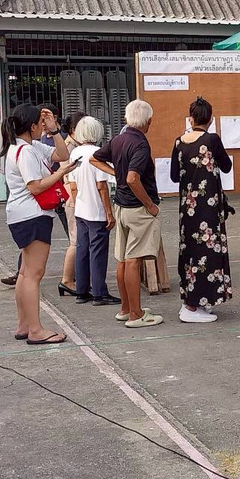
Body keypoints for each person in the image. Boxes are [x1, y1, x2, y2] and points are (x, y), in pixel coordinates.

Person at [1, 103, 72, 345]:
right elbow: (35, 186)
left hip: (24, 214)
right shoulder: (26, 152)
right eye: (41, 123)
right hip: (32, 215)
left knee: (25, 272)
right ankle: (35, 329)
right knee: (34, 273)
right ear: (31, 126)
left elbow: (62, 155)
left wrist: (54, 130)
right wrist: (61, 173)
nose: (43, 126)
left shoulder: (26, 146)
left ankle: (24, 325)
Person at [91, 99, 165, 328]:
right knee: (134, 260)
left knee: (122, 259)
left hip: (121, 206)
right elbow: (133, 178)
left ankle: (125, 308)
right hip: (137, 209)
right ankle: (136, 314)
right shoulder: (140, 144)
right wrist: (150, 204)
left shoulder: (118, 139)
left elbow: (94, 158)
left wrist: (115, 174)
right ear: (148, 121)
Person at [170, 97, 233, 323]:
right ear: (211, 119)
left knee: (190, 251)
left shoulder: (179, 142)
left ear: (190, 118)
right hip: (209, 207)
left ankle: (192, 300)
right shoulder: (212, 140)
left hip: (187, 208)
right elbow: (227, 166)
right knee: (210, 252)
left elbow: (174, 176)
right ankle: (197, 303)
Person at [66, 116, 119, 307]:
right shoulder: (97, 153)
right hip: (96, 210)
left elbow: (72, 185)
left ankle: (82, 290)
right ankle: (99, 292)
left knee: (83, 248)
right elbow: (102, 186)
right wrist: (109, 213)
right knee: (98, 251)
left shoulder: (75, 153)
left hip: (81, 209)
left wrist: (78, 202)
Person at [58, 111, 85, 298]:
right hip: (72, 197)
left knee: (78, 240)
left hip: (74, 196)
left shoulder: (75, 145)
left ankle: (74, 278)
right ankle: (67, 279)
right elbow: (67, 175)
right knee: (75, 241)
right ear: (74, 129)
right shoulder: (69, 147)